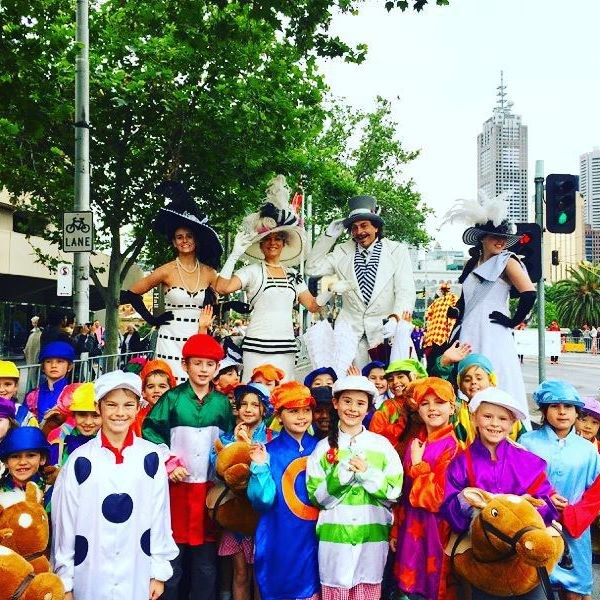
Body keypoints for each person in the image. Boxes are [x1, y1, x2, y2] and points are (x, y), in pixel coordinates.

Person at [52, 370, 178, 600]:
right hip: (89, 574)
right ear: (98, 407)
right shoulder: (80, 461)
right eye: (111, 404)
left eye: (128, 405)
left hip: (136, 572)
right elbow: (65, 524)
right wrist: (65, 581)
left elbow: (160, 517)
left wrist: (158, 571)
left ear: (138, 408)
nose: (120, 413)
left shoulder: (150, 457)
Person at [441, 387, 558, 600]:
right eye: (487, 416)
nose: (495, 424)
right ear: (474, 418)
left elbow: (545, 502)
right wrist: (472, 505)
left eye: (503, 418)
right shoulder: (461, 463)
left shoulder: (527, 461)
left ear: (512, 423)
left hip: (524, 556)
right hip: (484, 558)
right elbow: (450, 507)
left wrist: (532, 505)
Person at [142, 333, 235, 600]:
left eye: (209, 364)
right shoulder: (171, 399)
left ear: (217, 368)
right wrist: (168, 462)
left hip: (208, 491)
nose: (203, 370)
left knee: (205, 564)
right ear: (185, 365)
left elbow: (226, 441)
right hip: (175, 491)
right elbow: (150, 431)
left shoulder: (221, 403)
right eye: (197, 363)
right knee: (173, 560)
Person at [215, 175, 326, 382]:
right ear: (260, 244)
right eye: (267, 239)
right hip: (256, 347)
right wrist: (234, 254)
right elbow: (221, 287)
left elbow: (312, 305)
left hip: (286, 348)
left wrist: (331, 290)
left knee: (284, 399)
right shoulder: (252, 271)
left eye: (277, 239)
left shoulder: (293, 275)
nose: (273, 243)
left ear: (284, 243)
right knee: (255, 397)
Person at [306, 375, 403, 600]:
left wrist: (367, 474)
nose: (353, 409)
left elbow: (394, 491)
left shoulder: (382, 446)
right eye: (347, 401)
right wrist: (341, 476)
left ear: (368, 408)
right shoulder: (321, 449)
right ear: (336, 404)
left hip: (372, 541)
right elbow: (316, 497)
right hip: (334, 543)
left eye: (360, 403)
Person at [443, 194, 536, 428]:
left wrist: (513, 320)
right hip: (469, 330)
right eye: (496, 236)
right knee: (468, 378)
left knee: (496, 374)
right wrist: (456, 313)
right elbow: (464, 297)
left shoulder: (507, 261)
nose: (501, 241)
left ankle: (507, 429)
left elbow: (529, 293)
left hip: (494, 331)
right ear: (482, 238)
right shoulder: (472, 264)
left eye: (505, 238)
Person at [123, 181, 223, 384]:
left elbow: (226, 288)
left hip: (197, 335)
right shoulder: (166, 270)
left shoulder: (209, 272)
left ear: (196, 240)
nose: (184, 240)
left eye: (188, 236)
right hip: (169, 338)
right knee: (167, 386)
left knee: (195, 388)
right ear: (173, 241)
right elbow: (132, 293)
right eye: (179, 237)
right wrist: (152, 320)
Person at [305, 195, 416, 368]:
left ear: (376, 228)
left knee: (385, 387)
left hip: (384, 334)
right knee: (349, 388)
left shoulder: (397, 251)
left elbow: (405, 291)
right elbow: (311, 268)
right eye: (354, 228)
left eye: (364, 226)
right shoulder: (341, 251)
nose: (359, 232)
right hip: (349, 336)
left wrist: (396, 318)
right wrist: (328, 237)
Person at [520, 380, 600, 600]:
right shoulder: (527, 442)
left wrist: (575, 515)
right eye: (555, 406)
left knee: (574, 592)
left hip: (574, 532)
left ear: (577, 413)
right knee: (533, 587)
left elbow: (595, 492)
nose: (562, 412)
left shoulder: (588, 451)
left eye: (568, 406)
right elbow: (518, 484)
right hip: (536, 527)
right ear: (545, 411)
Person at [247, 381, 320, 600]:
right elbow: (262, 501)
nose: (301, 417)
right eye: (293, 411)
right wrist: (259, 467)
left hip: (316, 536)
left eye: (306, 410)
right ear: (279, 415)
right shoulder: (268, 452)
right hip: (281, 535)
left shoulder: (322, 447)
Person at [391, 377, 459, 600]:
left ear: (452, 407)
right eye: (424, 403)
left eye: (439, 402)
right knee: (407, 589)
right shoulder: (414, 443)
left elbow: (437, 498)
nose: (432, 408)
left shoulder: (453, 447)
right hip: (409, 529)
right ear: (417, 409)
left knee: (433, 588)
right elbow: (403, 493)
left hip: (436, 533)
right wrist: (395, 529)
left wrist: (419, 465)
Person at [212, 382, 272, 600]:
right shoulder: (227, 436)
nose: (248, 409)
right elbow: (217, 467)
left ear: (263, 409)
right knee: (239, 573)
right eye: (243, 404)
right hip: (236, 516)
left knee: (260, 574)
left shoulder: (272, 437)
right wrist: (234, 445)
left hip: (262, 517)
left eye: (254, 405)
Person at [368, 358, 427, 455]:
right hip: (394, 461)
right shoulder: (387, 407)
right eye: (390, 379)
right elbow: (375, 438)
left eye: (400, 377)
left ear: (413, 377)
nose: (395, 382)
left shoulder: (425, 402)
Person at [48, 382, 101, 466]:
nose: (88, 422)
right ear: (73, 415)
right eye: (82, 415)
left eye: (95, 416)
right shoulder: (60, 438)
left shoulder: (113, 441)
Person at [25, 341, 79, 423]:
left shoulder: (75, 394)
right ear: (43, 367)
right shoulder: (32, 396)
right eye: (48, 361)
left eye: (59, 361)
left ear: (69, 367)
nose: (53, 365)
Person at [0, 426, 53, 510]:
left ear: (42, 459)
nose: (22, 462)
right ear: (6, 462)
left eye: (30, 455)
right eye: (15, 456)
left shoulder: (51, 493)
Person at [133, 359, 176, 437]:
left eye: (162, 386)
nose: (156, 390)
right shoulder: (137, 418)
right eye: (151, 387)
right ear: (143, 392)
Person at [422, 282, 458, 370]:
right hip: (443, 336)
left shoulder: (442, 300)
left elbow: (428, 315)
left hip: (440, 335)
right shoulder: (452, 299)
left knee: (435, 361)